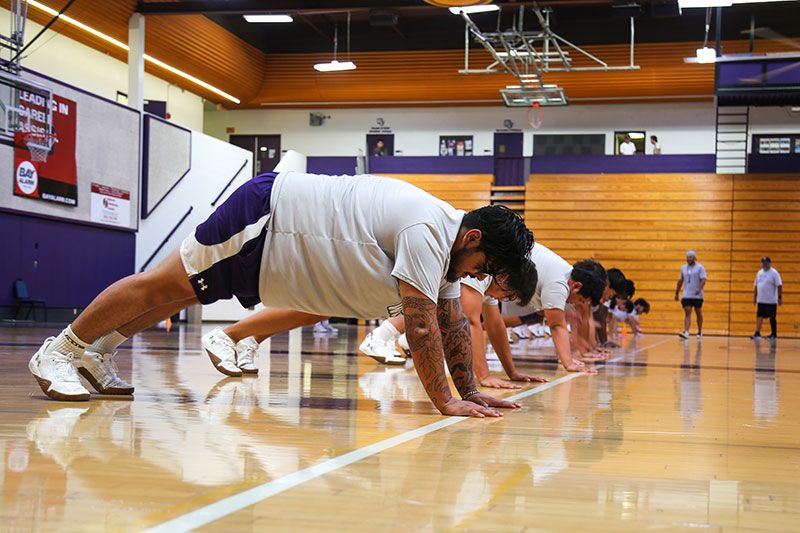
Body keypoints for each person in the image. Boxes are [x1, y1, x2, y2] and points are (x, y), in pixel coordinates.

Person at [29, 170, 534, 419]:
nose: (480, 279)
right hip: (268, 217)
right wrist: (445, 400)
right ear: (473, 240)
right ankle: (62, 351)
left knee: (182, 297)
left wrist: (468, 391)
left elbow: (448, 321)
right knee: (162, 285)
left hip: (279, 250)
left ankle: (97, 352)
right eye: (484, 268)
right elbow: (422, 327)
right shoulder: (429, 230)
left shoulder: (449, 253)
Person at [503, 243, 608, 373]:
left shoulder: (562, 274)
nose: (576, 303)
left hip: (508, 272)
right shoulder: (559, 283)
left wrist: (567, 357)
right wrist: (568, 363)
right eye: (580, 299)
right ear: (577, 286)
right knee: (483, 322)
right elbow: (557, 326)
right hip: (503, 265)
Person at [676, 250, 707, 339]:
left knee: (698, 313)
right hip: (686, 294)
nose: (689, 259)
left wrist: (699, 289)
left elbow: (703, 280)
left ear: (694, 258)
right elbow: (680, 281)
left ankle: (700, 331)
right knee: (687, 312)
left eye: (690, 257)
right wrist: (677, 292)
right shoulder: (683, 268)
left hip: (697, 295)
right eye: (687, 257)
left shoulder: (700, 267)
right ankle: (686, 332)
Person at [751, 257, 782, 340]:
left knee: (772, 317)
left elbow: (779, 285)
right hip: (761, 299)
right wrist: (755, 297)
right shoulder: (759, 273)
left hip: (771, 300)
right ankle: (757, 333)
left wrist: (779, 297)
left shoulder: (774, 273)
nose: (764, 264)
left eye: (765, 263)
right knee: (759, 316)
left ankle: (774, 334)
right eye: (763, 263)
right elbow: (756, 286)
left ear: (769, 263)